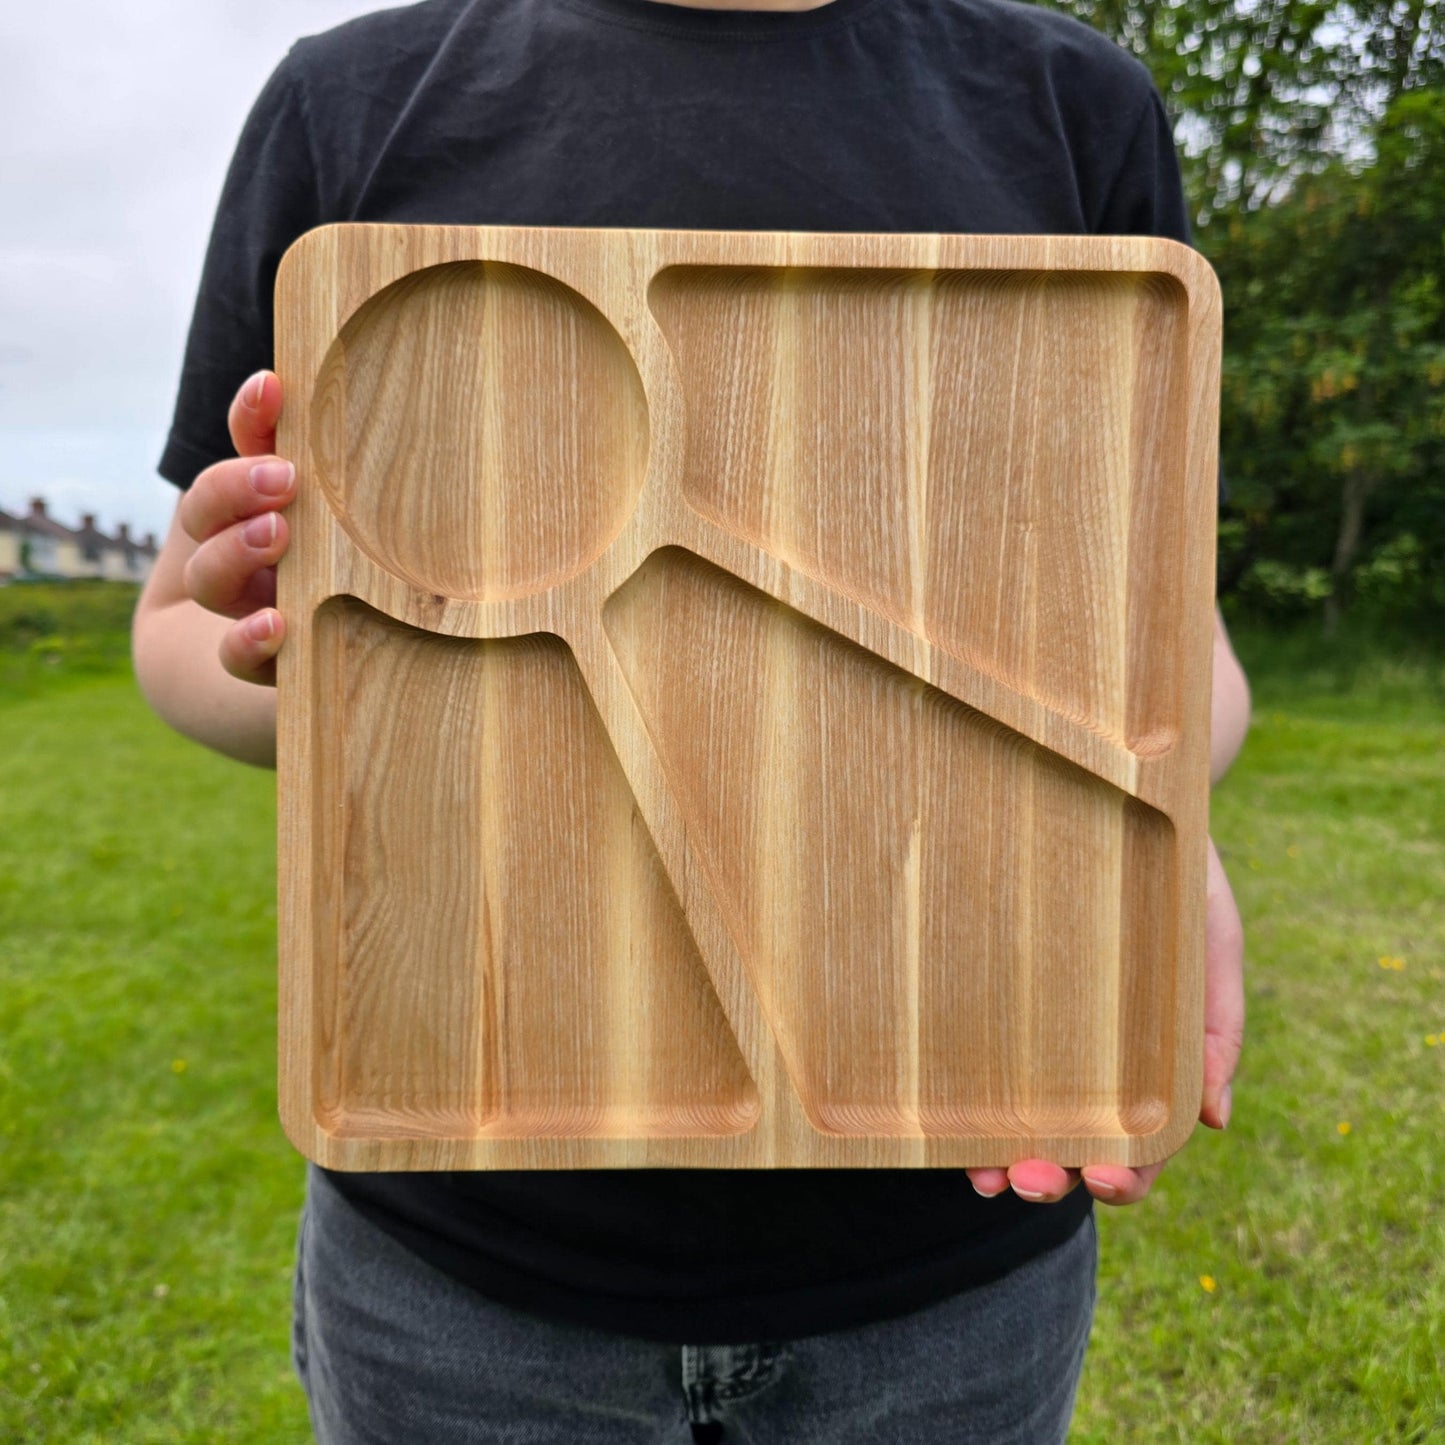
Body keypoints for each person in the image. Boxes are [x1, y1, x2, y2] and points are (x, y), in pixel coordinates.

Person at [132, 0, 1251, 1439]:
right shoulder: (355, 102)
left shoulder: (1063, 103)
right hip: (459, 1274)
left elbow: (1174, 648)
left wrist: (1158, 827)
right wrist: (292, 654)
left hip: (948, 1257)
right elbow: (172, 629)